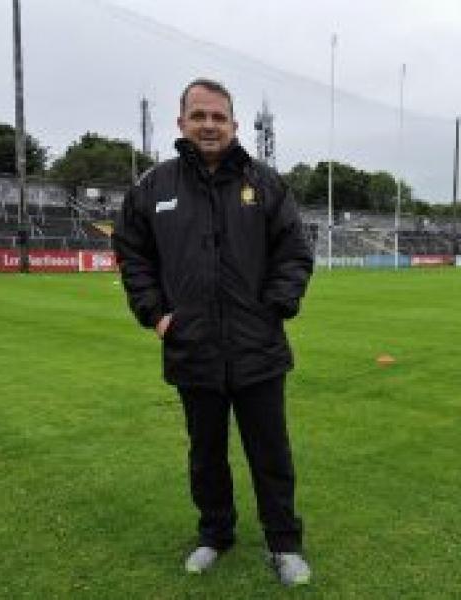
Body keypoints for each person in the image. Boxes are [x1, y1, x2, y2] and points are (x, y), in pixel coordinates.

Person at [113, 78, 313, 586]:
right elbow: (131, 252)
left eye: (218, 117)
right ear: (181, 122)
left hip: (258, 346)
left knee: (271, 453)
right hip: (192, 347)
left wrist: (277, 305)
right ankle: (215, 534)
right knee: (205, 455)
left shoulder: (265, 184)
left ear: (234, 124)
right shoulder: (155, 187)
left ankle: (284, 544)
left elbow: (294, 252)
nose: (208, 125)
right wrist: (154, 312)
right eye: (198, 116)